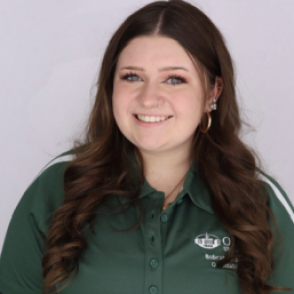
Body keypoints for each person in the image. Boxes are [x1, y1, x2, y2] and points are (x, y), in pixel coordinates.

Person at [0, 0, 293, 293]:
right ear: (111, 86)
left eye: (174, 79)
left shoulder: (260, 201)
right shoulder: (57, 188)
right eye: (132, 77)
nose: (149, 97)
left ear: (213, 91)